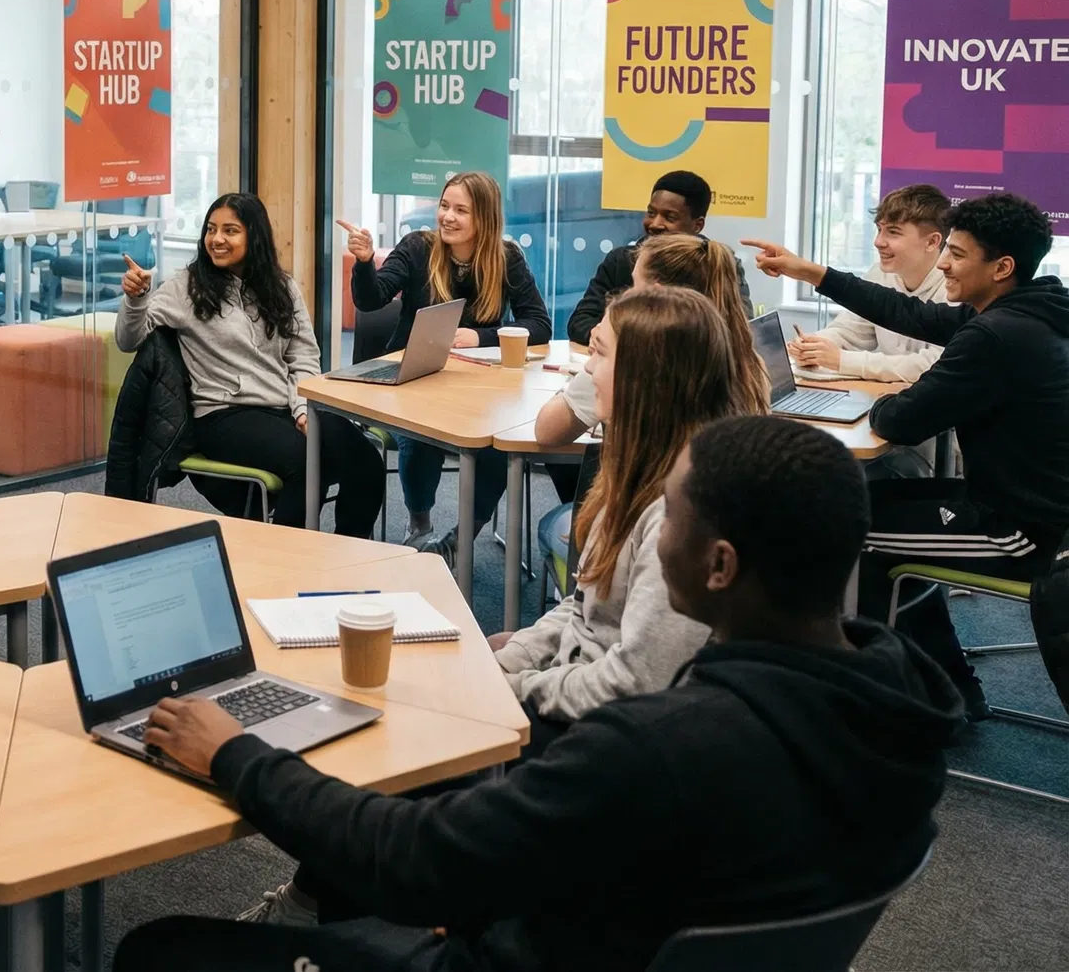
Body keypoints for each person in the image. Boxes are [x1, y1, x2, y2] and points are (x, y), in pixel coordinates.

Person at [117, 416, 963, 972]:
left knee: (160, 951)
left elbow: (418, 861)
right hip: (611, 933)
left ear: (719, 565)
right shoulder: (900, 710)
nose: (649, 538)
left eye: (666, 518)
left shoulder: (655, 746)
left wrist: (236, 753)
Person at [242, 285, 736, 930]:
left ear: (648, 379)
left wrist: (517, 686)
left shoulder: (678, 510)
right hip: (579, 697)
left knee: (409, 741)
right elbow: (579, 611)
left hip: (610, 742)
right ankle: (326, 902)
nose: (587, 368)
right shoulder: (634, 471)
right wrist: (513, 655)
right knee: (427, 688)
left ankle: (320, 914)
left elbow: (637, 683)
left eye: (601, 355)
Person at [745, 192, 1069, 721]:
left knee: (851, 534)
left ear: (1002, 267)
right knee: (868, 502)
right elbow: (907, 312)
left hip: (1022, 531)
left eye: (958, 255)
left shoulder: (995, 335)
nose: (944, 263)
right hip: (1026, 507)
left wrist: (878, 392)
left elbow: (898, 421)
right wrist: (815, 273)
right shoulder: (1033, 306)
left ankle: (878, 701)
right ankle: (945, 684)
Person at [118, 193, 386, 536]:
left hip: (285, 406)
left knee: (366, 461)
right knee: (307, 465)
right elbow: (130, 340)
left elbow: (303, 356)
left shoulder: (282, 286)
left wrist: (302, 407)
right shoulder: (186, 286)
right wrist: (136, 300)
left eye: (230, 230)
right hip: (223, 414)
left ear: (254, 236)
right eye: (211, 230)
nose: (217, 239)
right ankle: (289, 568)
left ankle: (349, 554)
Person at [342, 171, 551, 554]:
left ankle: (460, 539)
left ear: (484, 218)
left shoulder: (505, 258)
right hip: (415, 380)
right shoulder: (417, 248)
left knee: (499, 446)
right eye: (444, 206)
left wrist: (481, 337)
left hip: (478, 390)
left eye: (461, 210)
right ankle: (419, 524)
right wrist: (365, 261)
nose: (447, 217)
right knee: (422, 438)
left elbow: (539, 323)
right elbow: (371, 300)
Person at [533, 232, 771, 564]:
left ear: (656, 296)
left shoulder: (630, 362)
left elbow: (547, 431)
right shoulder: (749, 357)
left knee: (550, 527)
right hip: (723, 529)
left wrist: (585, 377)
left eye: (633, 285)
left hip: (629, 532)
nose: (628, 295)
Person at [565, 169, 752, 345]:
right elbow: (580, 322)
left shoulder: (715, 263)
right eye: (651, 213)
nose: (655, 224)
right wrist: (608, 339)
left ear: (697, 225)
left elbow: (739, 332)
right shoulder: (621, 260)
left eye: (670, 217)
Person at [790, 182, 950, 384]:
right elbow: (850, 331)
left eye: (893, 232)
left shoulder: (957, 287)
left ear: (932, 242)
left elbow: (937, 364)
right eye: (879, 229)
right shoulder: (879, 274)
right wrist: (814, 346)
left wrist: (842, 360)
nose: (878, 242)